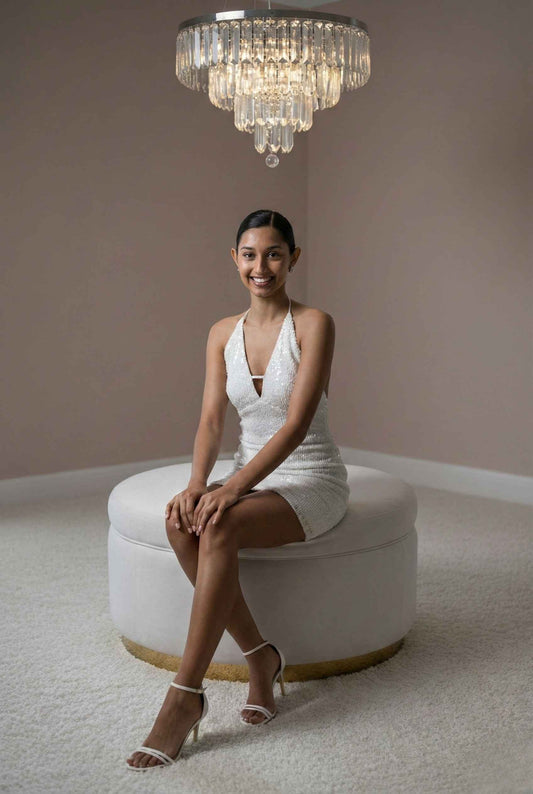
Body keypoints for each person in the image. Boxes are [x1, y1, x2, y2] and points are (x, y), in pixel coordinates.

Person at [126, 209, 350, 770]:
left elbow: (296, 425)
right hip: (250, 473)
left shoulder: (315, 323)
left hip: (309, 477)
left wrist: (232, 491)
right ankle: (261, 658)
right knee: (182, 520)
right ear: (235, 259)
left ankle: (184, 697)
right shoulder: (221, 333)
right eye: (249, 255)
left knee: (218, 520)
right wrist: (198, 484)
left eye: (274, 253)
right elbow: (210, 421)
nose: (261, 266)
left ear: (293, 259)